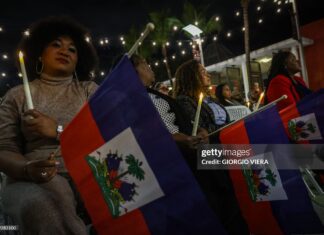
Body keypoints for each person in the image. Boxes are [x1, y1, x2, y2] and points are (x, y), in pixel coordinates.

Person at [0, 16, 99, 234]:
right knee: (43, 205)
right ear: (39, 53)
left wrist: (57, 130)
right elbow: (5, 149)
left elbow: (107, 135)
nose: (65, 51)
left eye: (72, 49)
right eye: (56, 45)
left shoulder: (88, 91)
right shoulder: (16, 96)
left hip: (91, 173)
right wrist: (27, 169)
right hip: (31, 179)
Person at [173, 59, 249, 235]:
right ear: (191, 77)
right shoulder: (185, 101)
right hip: (208, 156)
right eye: (201, 71)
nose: (207, 74)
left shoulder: (208, 100)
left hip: (222, 148)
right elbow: (202, 131)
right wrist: (223, 130)